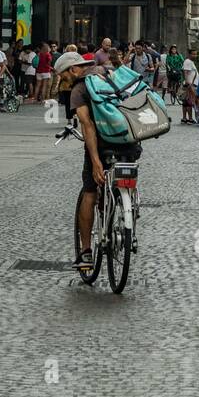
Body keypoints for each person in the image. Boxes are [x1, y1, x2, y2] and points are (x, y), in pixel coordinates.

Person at [67, 51, 141, 276]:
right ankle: (131, 210)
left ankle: (86, 252)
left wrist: (96, 161)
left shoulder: (80, 89)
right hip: (130, 143)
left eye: (63, 76)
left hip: (103, 147)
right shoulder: (113, 75)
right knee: (126, 176)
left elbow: (87, 126)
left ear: (72, 70)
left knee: (89, 192)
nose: (64, 81)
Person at [180, 48, 199, 124]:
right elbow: (186, 72)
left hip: (190, 84)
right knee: (189, 102)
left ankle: (184, 118)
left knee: (186, 102)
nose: (195, 55)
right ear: (189, 54)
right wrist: (188, 84)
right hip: (190, 84)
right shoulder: (188, 62)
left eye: (196, 54)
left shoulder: (190, 62)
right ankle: (190, 118)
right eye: (193, 54)